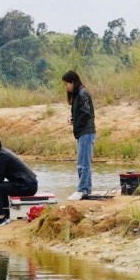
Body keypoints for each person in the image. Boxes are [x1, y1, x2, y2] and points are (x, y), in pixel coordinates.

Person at [63, 70, 96, 200]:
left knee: (83, 163)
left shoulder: (83, 93)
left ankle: (81, 189)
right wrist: (73, 118)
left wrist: (77, 122)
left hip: (86, 132)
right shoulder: (77, 94)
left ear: (73, 82)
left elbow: (86, 113)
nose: (66, 87)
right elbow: (80, 112)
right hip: (82, 133)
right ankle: (86, 189)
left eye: (67, 84)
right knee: (83, 162)